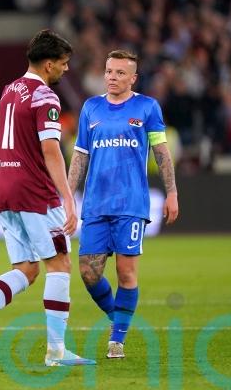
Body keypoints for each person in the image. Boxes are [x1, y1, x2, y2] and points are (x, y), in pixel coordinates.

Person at [0, 29, 96, 367]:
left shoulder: (10, 90)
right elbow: (51, 150)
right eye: (63, 63)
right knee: (59, 263)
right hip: (34, 190)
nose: (65, 69)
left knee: (27, 269)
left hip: (4, 186)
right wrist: (68, 197)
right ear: (48, 64)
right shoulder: (45, 96)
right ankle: (56, 351)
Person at [68, 50, 179, 359]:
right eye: (109, 71)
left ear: (133, 78)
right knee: (88, 272)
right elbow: (80, 156)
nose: (112, 77)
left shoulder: (147, 107)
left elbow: (161, 153)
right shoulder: (91, 108)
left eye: (119, 73)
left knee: (126, 273)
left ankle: (117, 339)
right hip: (95, 204)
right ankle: (118, 318)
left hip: (131, 203)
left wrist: (172, 192)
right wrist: (68, 194)